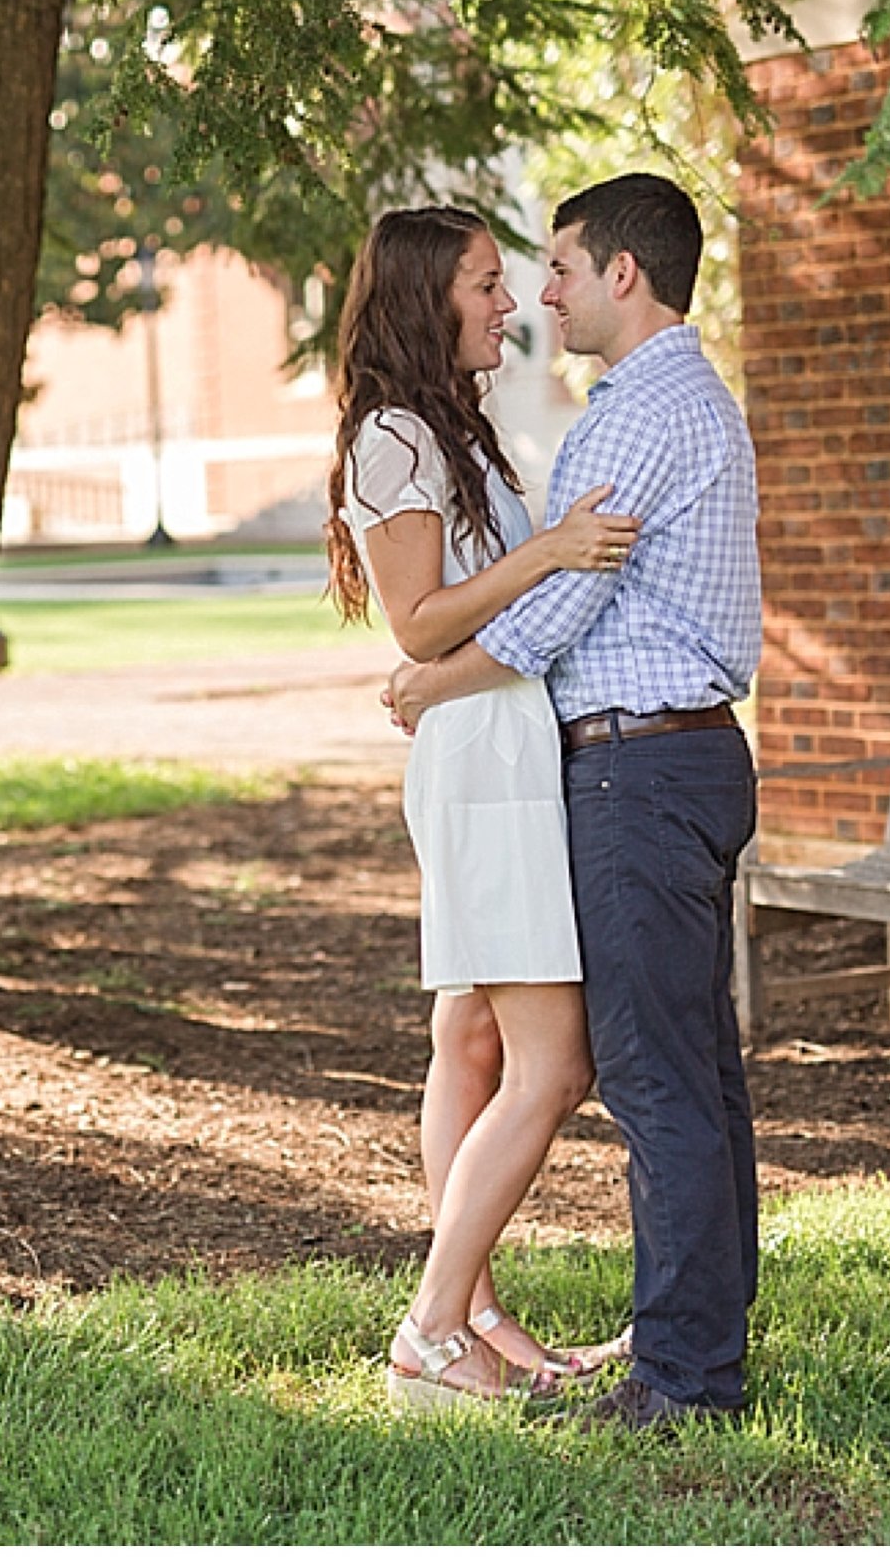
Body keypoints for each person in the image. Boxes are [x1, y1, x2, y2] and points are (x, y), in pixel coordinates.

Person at [385, 173, 763, 1433]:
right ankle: (696, 1348)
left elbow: (556, 615)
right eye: (515, 276)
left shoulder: (641, 413)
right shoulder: (661, 402)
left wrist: (425, 681)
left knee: (657, 1082)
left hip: (639, 768)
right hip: (668, 760)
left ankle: (683, 1378)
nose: (540, 292)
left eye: (556, 266)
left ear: (622, 274)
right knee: (691, 1074)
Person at [322, 204, 643, 1409]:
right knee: (553, 1066)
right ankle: (432, 1329)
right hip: (484, 768)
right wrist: (556, 548)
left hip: (498, 744)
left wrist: (516, 584)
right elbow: (420, 620)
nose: (510, 306)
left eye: (512, 284)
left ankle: (482, 1315)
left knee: (470, 1040)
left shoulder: (451, 430)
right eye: (485, 285)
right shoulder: (392, 438)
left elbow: (459, 638)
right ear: (424, 298)